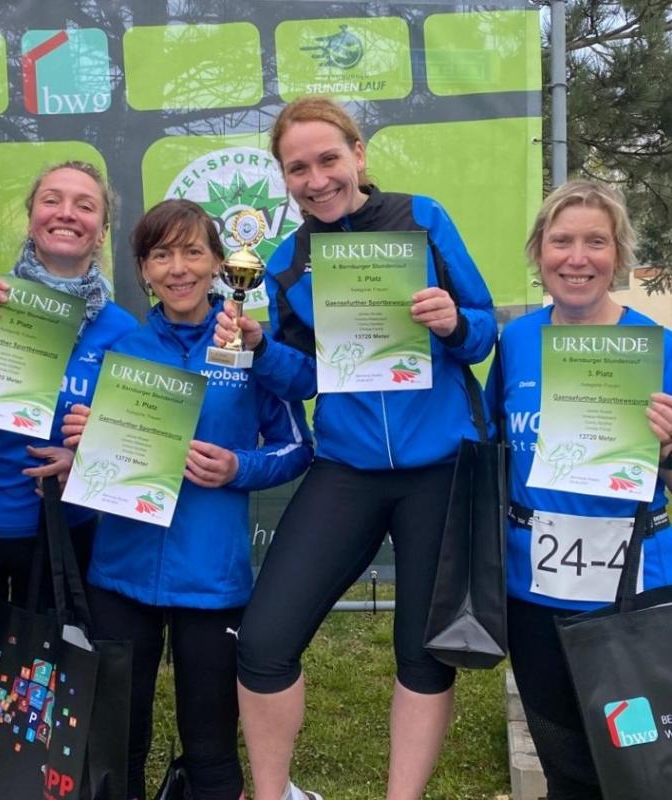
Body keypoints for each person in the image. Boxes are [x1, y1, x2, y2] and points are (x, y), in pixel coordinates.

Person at [214, 96, 497, 800]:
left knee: (422, 655)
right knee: (264, 641)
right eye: (297, 168)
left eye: (328, 159)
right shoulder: (288, 260)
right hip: (347, 467)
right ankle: (272, 795)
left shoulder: (423, 218)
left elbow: (483, 332)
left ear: (358, 154)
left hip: (440, 469)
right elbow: (307, 378)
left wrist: (453, 322)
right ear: (284, 178)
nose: (316, 180)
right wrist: (259, 347)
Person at [62, 198, 313, 800]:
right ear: (143, 270)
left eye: (193, 252)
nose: (178, 268)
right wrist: (82, 440)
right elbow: (90, 439)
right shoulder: (123, 346)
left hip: (210, 576)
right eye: (161, 255)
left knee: (210, 745)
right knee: (118, 738)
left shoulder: (246, 344)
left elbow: (297, 447)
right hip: (120, 571)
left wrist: (237, 467)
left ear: (220, 264)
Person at [487, 180, 672, 800]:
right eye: (561, 241)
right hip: (533, 587)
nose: (577, 258)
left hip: (634, 589)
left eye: (596, 242)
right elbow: (495, 449)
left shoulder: (659, 347)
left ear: (618, 255)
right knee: (563, 763)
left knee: (641, 770)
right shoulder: (515, 342)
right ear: (539, 253)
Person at [0, 160, 137, 797]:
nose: (67, 213)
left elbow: (134, 442)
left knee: (46, 687)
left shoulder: (123, 331)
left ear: (102, 228)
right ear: (31, 218)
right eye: (52, 200)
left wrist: (84, 458)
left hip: (65, 536)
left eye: (85, 205)